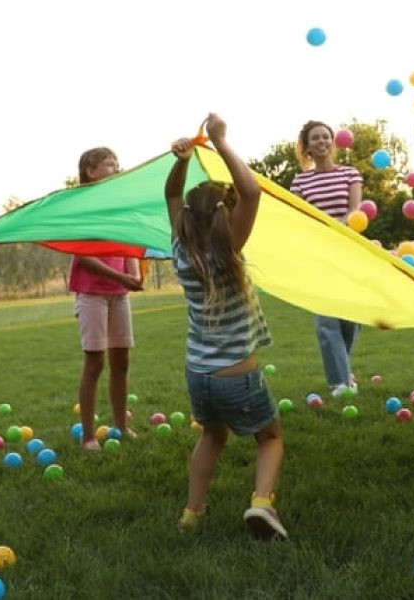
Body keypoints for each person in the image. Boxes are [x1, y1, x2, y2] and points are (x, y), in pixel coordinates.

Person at [166, 113, 286, 540]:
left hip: (198, 375)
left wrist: (181, 160)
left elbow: (171, 193)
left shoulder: (180, 252)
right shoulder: (228, 250)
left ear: (186, 221)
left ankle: (191, 514)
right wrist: (220, 141)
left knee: (211, 438)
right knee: (269, 437)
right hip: (238, 375)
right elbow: (252, 192)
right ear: (224, 217)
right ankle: (261, 504)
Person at [70, 147, 144, 451]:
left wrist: (134, 274)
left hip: (119, 294)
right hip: (92, 294)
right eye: (109, 164)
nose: (116, 167)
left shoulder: (119, 206)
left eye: (116, 163)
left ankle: (120, 426)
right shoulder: (82, 206)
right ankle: (88, 435)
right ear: (91, 170)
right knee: (95, 363)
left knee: (121, 361)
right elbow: (82, 255)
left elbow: (129, 245)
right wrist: (122, 278)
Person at [289, 120, 363, 398]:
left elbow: (355, 214)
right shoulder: (300, 181)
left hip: (347, 253)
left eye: (325, 137)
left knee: (350, 319)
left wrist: (333, 229)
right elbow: (299, 219)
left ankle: (344, 371)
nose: (321, 141)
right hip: (318, 258)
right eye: (315, 138)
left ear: (332, 142)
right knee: (326, 321)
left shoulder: (350, 174)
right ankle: (339, 383)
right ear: (307, 146)